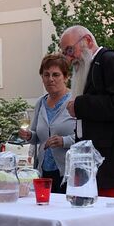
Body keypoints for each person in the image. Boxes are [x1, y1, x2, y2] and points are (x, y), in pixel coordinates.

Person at [60, 25, 114, 198]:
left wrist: (79, 105)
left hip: (108, 161)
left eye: (70, 50)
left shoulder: (109, 60)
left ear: (87, 41)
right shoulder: (91, 65)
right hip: (92, 160)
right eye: (64, 53)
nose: (68, 57)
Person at [19, 53, 75, 193]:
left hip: (69, 173)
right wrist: (28, 135)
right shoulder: (40, 103)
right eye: (46, 75)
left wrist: (64, 141)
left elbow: (87, 136)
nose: (50, 79)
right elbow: (36, 136)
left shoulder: (76, 101)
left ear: (66, 77)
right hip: (44, 172)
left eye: (56, 75)